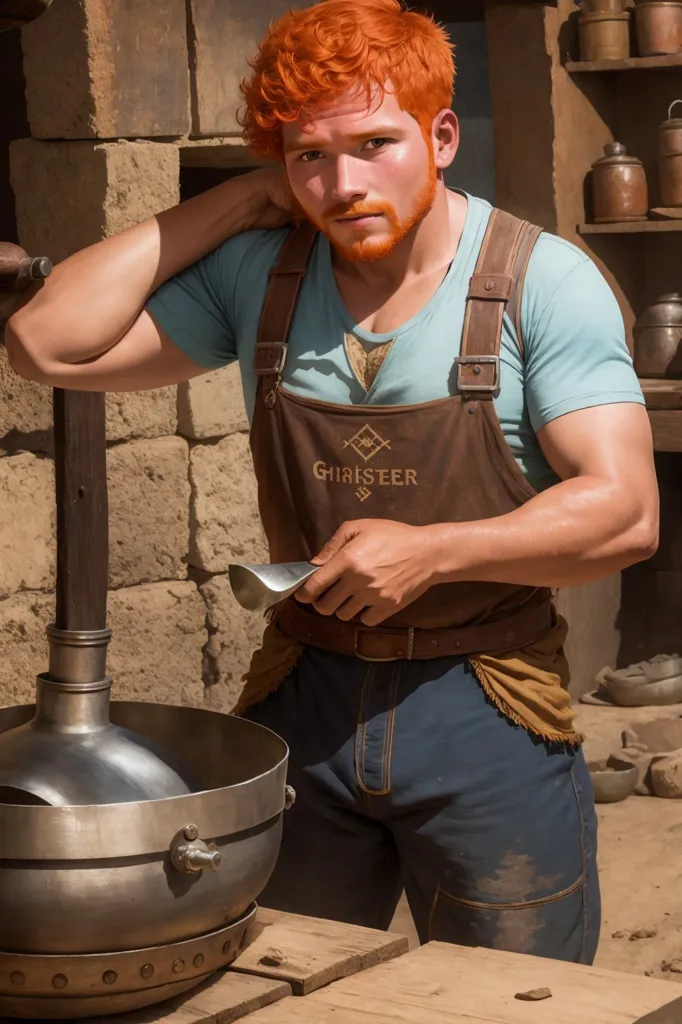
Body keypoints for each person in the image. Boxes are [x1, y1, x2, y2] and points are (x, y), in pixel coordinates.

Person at [6, 0, 658, 964]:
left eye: (375, 144)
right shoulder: (263, 273)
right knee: (284, 971)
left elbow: (626, 512)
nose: (343, 184)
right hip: (304, 693)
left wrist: (438, 551)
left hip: (484, 697)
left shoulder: (536, 281)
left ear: (440, 137)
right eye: (309, 156)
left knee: (517, 992)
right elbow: (43, 342)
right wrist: (231, 201)